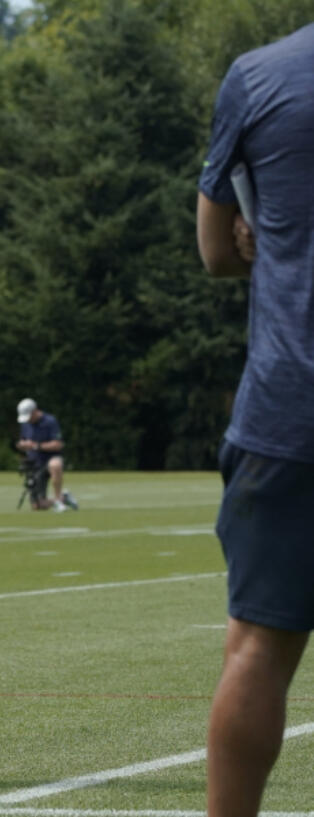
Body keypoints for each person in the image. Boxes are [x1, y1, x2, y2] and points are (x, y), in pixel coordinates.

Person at [196, 24, 314, 817]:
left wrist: (264, 238)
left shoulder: (261, 74)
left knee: (259, 650)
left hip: (290, 406)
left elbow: (215, 251)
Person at [14, 398, 77, 512]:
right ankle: (62, 499)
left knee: (55, 465)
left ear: (35, 411)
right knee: (38, 505)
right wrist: (22, 445)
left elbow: (58, 444)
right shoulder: (25, 424)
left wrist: (36, 446)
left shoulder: (50, 421)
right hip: (35, 463)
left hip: (50, 458)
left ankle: (58, 499)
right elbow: (23, 440)